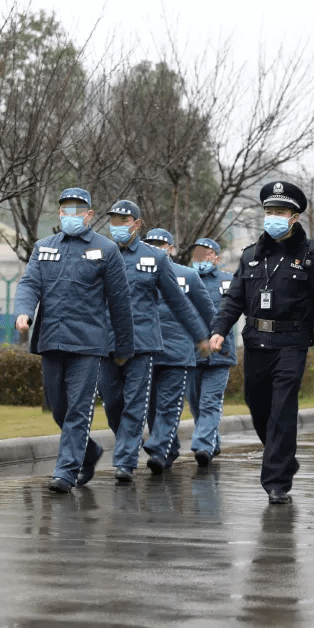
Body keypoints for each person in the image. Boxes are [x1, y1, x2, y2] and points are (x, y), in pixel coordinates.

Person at [209, 181, 314, 504]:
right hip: (257, 341)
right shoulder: (250, 257)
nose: (272, 217)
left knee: (282, 409)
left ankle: (276, 482)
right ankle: (283, 456)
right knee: (258, 407)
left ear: (294, 217)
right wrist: (219, 329)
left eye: (279, 212)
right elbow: (233, 300)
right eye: (268, 211)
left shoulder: (312, 257)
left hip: (291, 343)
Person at [14, 187, 135, 494]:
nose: (70, 215)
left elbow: (120, 303)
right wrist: (24, 312)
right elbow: (30, 283)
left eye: (77, 210)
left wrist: (123, 347)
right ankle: (90, 451)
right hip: (51, 339)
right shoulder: (44, 247)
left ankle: (66, 472)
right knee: (58, 408)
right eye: (65, 210)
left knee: (79, 409)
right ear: (59, 213)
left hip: (88, 344)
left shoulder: (106, 250)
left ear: (89, 215)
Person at [96, 201, 211, 483]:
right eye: (113, 220)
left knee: (136, 404)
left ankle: (125, 462)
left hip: (142, 343)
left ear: (136, 224)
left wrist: (200, 335)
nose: (118, 226)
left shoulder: (155, 260)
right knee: (113, 404)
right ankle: (128, 444)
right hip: (106, 342)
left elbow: (178, 302)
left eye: (124, 220)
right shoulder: (98, 255)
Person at [140, 228, 216, 474]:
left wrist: (212, 338)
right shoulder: (139, 273)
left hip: (178, 351)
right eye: (150, 243)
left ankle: (159, 449)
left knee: (169, 405)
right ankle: (168, 448)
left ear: (171, 249)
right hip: (147, 348)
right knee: (151, 407)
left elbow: (206, 311)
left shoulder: (188, 276)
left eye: (161, 244)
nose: (155, 247)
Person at [184, 237, 237, 467]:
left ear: (216, 258)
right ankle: (212, 443)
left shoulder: (229, 281)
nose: (201, 259)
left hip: (220, 354)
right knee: (196, 404)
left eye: (206, 255)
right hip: (191, 354)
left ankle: (202, 445)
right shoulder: (182, 279)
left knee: (210, 403)